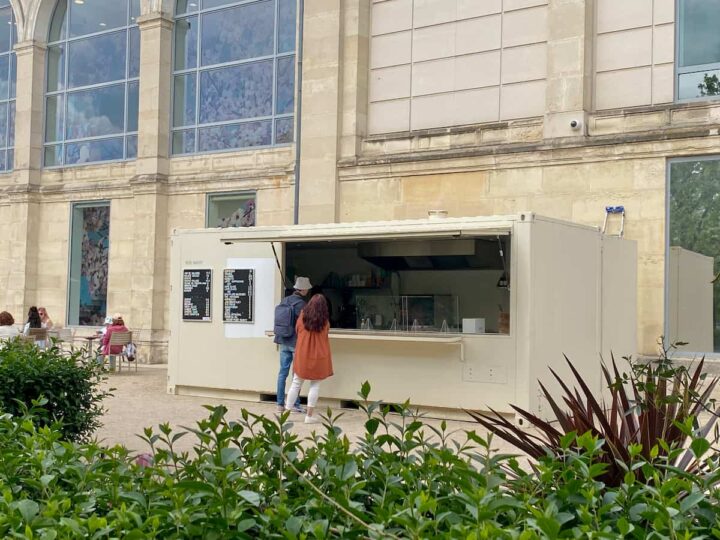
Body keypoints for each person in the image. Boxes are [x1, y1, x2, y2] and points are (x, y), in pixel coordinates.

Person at [285, 294, 333, 424]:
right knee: (315, 385)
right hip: (319, 357)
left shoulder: (302, 318)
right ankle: (309, 416)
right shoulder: (325, 322)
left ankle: (286, 414)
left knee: (296, 383)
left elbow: (297, 330)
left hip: (302, 355)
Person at [274, 276, 312, 413]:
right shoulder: (302, 304)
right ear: (303, 289)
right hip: (296, 342)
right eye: (307, 288)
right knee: (297, 375)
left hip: (283, 340)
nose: (308, 291)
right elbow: (307, 323)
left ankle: (279, 404)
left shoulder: (284, 300)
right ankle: (295, 404)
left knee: (282, 373)